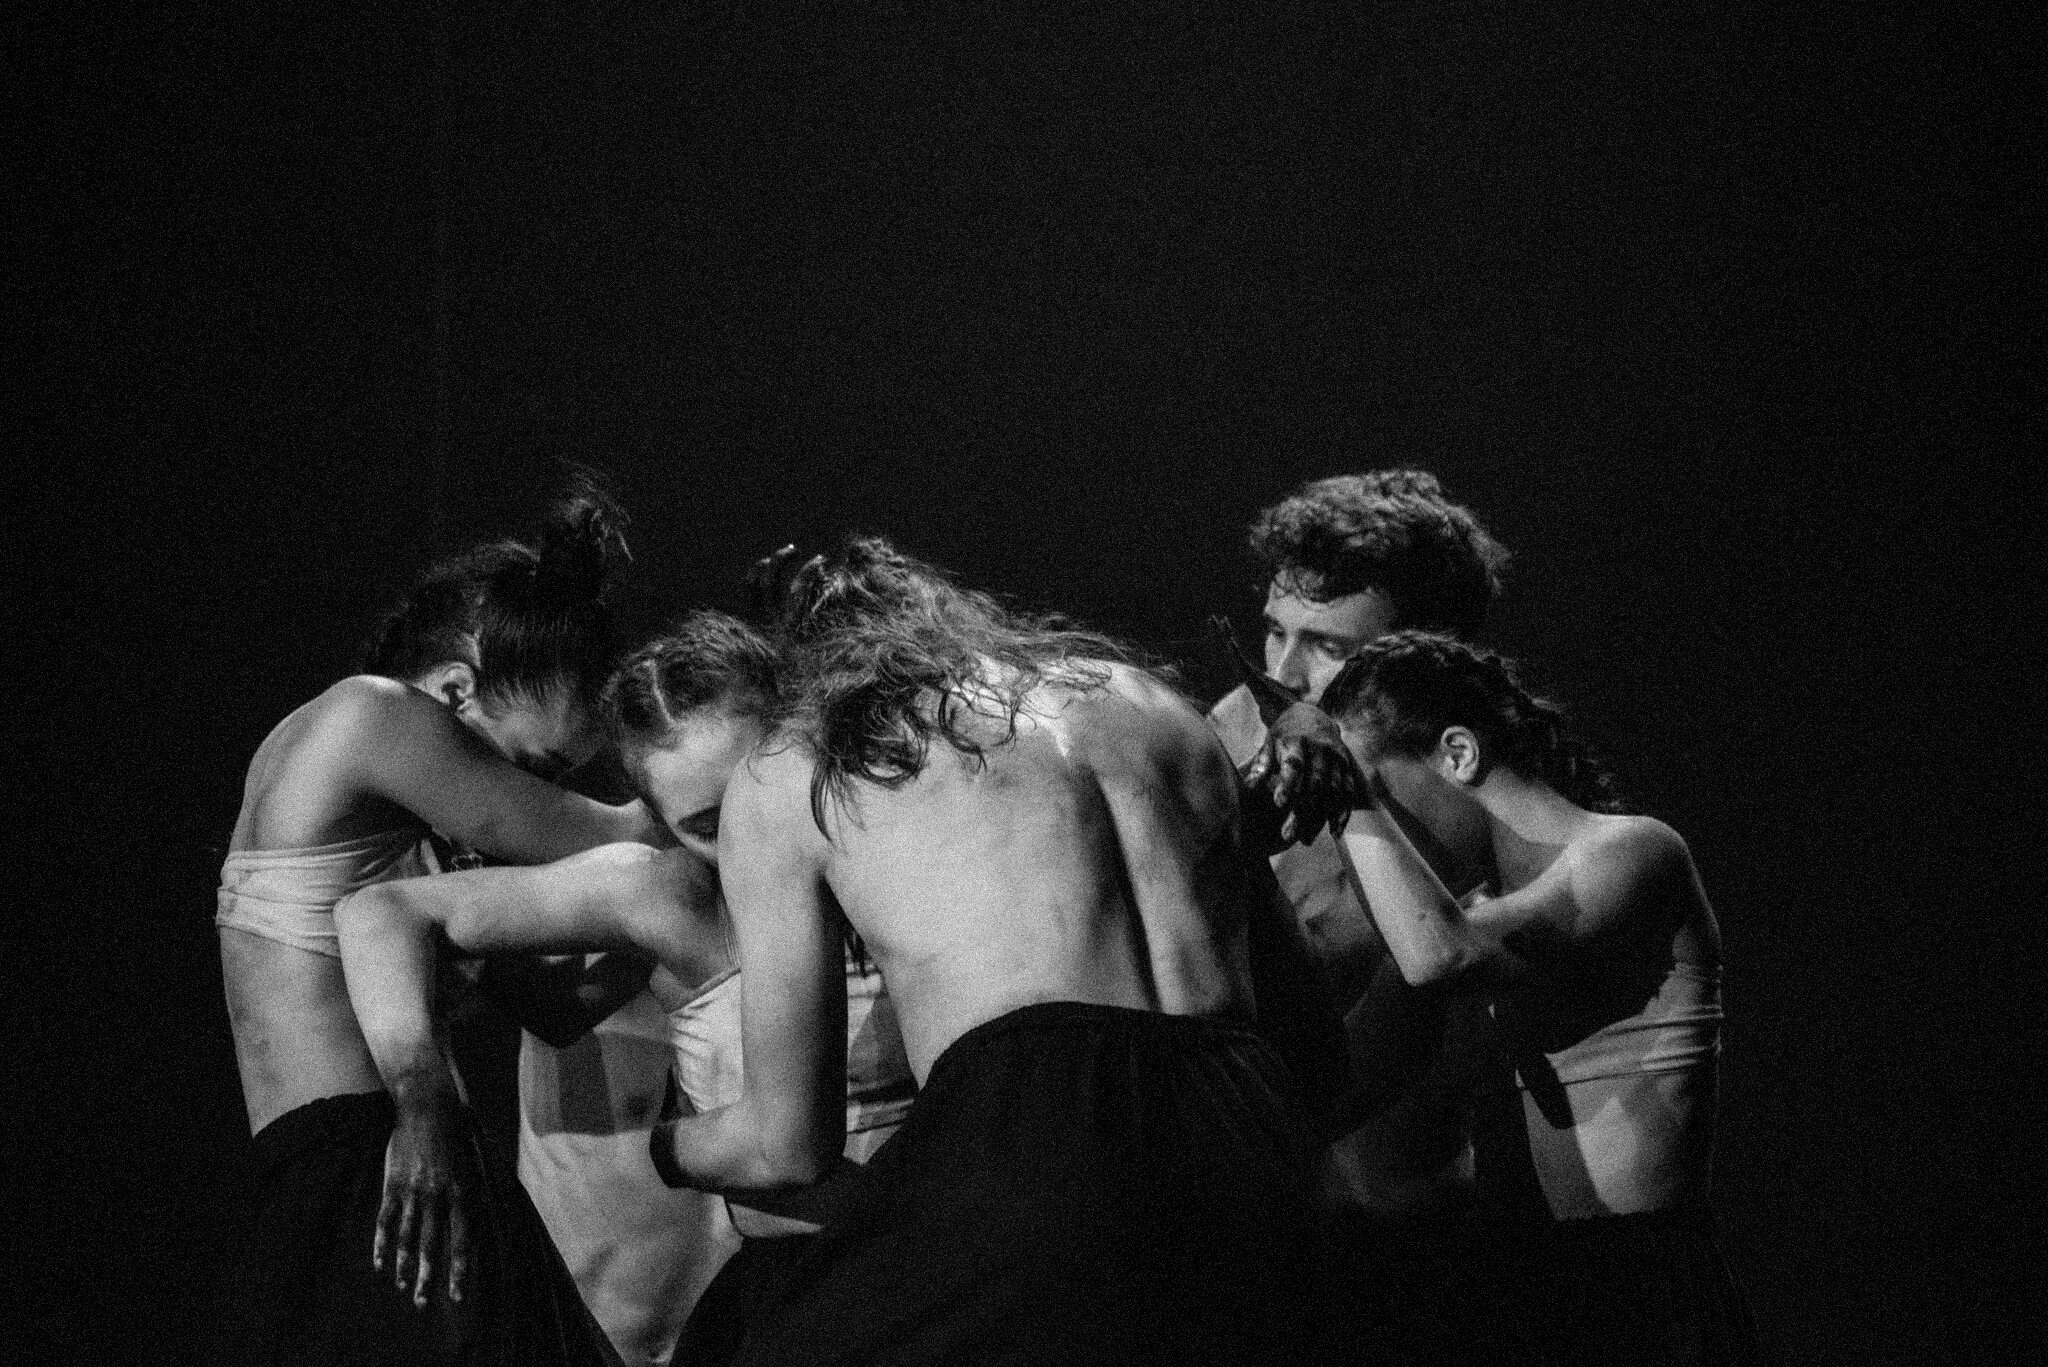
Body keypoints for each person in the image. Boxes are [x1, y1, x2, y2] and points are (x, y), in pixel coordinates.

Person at [653, 537, 1325, 1367]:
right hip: (1252, 1127)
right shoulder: (1154, 703)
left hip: (1039, 1130)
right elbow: (1310, 1031)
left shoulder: (804, 760)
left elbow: (786, 1144)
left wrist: (668, 1145)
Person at [330, 612, 918, 1363]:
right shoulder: (670, 894)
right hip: (787, 1299)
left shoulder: (893, 864)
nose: (754, 837)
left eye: (760, 796)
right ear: (657, 822)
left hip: (930, 1274)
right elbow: (380, 914)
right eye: (708, 823)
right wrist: (423, 1102)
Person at [210, 481, 655, 1367]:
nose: (529, 791)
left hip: (404, 1155)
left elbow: (558, 1005)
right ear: (454, 688)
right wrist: (736, 776)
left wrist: (672, 919)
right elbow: (604, 836)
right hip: (362, 1163)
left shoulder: (408, 846)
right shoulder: (367, 713)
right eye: (533, 767)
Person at [1322, 631, 1765, 1366]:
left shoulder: (1632, 851)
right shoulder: (1468, 916)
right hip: (1516, 1282)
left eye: (1375, 789)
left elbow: (1439, 954)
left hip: (1637, 1289)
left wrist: (1351, 796)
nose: (1369, 835)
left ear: (1458, 754)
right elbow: (1333, 1092)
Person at [1210, 469, 1511, 1360]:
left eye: (1328, 646)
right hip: (1251, 1248)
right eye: (1274, 631)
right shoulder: (1236, 731)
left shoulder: (1469, 789)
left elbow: (1372, 1049)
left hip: (1404, 1252)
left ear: (1423, 653)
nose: (1281, 672)